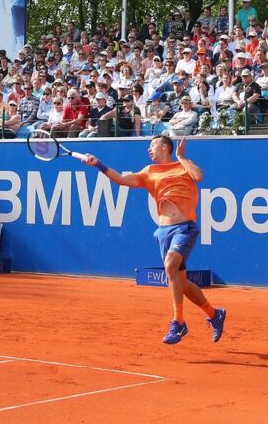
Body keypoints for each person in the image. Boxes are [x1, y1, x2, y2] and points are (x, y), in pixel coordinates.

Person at [79, 135, 226, 345]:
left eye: (152, 145)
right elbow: (121, 179)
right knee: (179, 282)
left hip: (184, 228)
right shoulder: (149, 171)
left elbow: (198, 176)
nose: (149, 149)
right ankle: (214, 314)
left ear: (165, 147)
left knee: (170, 266)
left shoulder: (184, 165)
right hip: (163, 231)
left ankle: (179, 322)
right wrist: (98, 165)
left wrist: (182, 157)